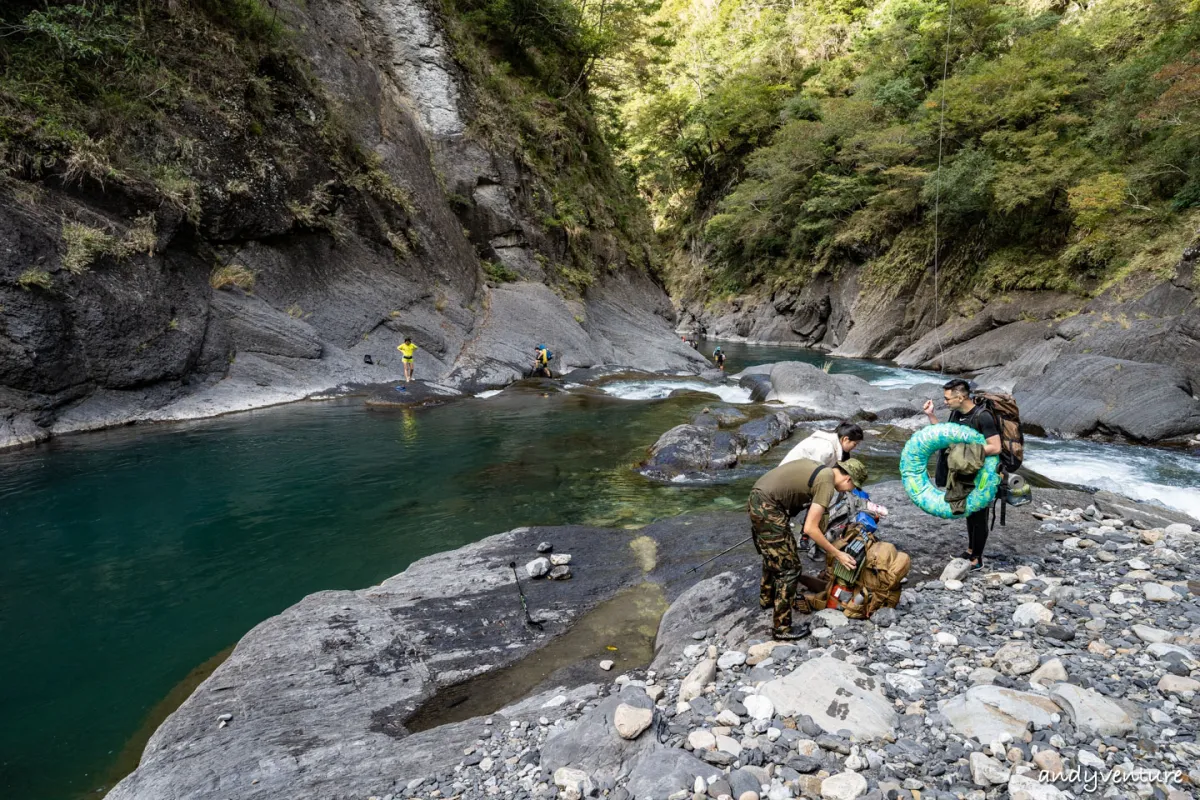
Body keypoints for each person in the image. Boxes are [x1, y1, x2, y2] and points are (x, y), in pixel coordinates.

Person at [748, 457, 868, 640]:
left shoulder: (823, 471)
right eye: (853, 487)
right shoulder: (826, 483)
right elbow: (810, 529)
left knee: (775, 554)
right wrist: (837, 553)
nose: (851, 491)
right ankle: (782, 629)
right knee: (790, 569)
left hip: (761, 497)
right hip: (768, 505)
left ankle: (768, 598)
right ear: (848, 479)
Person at [923, 379, 1002, 572]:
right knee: (968, 511)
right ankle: (969, 550)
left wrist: (965, 450)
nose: (945, 401)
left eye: (947, 398)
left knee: (979, 514)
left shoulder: (983, 416)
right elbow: (946, 437)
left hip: (981, 473)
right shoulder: (955, 414)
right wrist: (931, 416)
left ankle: (978, 558)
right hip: (961, 471)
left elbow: (995, 446)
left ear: (960, 396)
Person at [780, 421, 863, 468]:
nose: (855, 447)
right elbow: (815, 473)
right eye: (855, 444)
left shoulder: (832, 444)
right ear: (845, 439)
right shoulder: (826, 447)